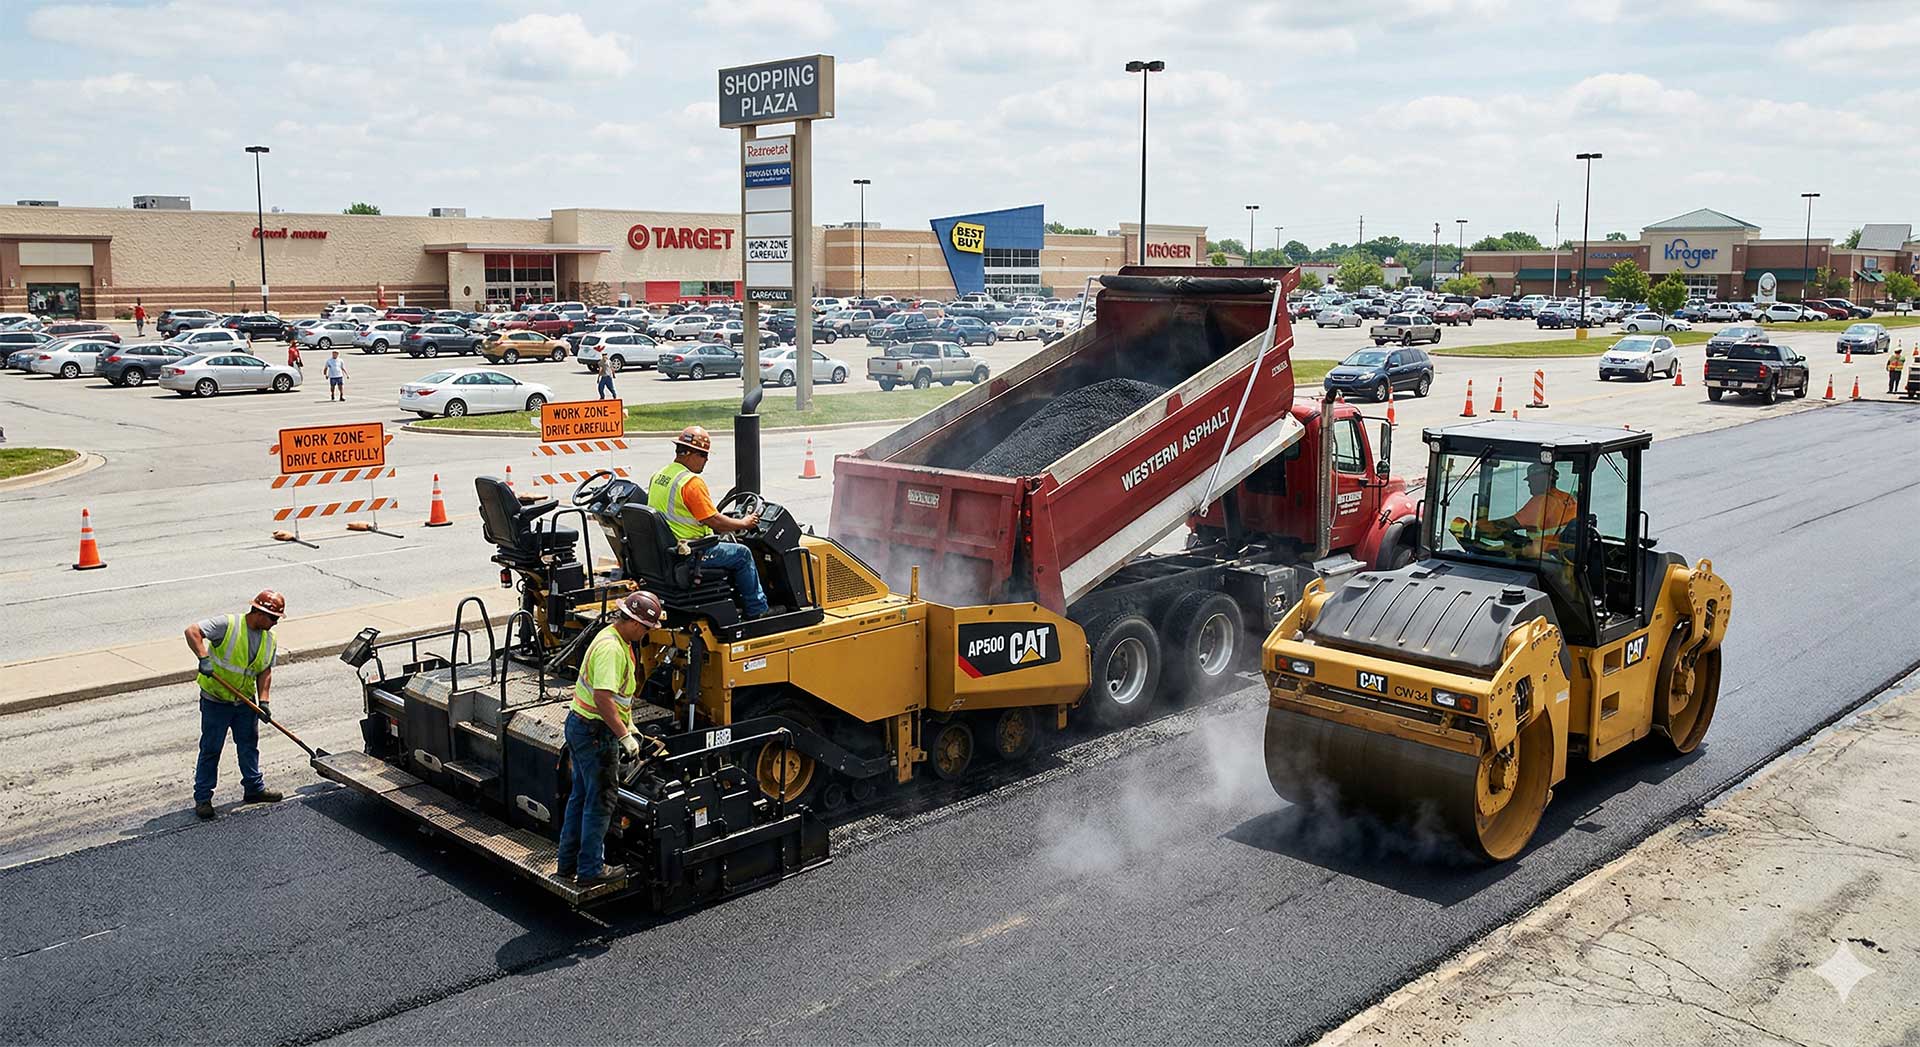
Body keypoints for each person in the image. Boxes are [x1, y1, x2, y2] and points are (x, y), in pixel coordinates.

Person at [557, 591, 664, 886]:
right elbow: (604, 698)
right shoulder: (612, 649)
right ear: (633, 622)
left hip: (582, 727)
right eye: (644, 628)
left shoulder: (615, 637)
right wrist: (624, 735)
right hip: (595, 733)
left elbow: (619, 699)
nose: (645, 633)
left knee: (580, 796)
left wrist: (631, 726)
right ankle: (591, 869)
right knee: (601, 800)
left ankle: (566, 865)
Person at [183, 591, 286, 819]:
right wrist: (203, 658)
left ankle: (253, 789)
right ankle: (203, 798)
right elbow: (192, 632)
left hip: (245, 701)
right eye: (274, 618)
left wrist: (265, 701)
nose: (275, 623)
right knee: (211, 748)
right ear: (260, 612)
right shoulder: (228, 624)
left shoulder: (270, 639)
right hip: (216, 700)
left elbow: (264, 671)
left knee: (249, 744)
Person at [647, 425, 769, 618]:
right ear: (689, 453)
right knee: (743, 554)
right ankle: (758, 611)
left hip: (669, 551)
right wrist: (745, 523)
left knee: (731, 546)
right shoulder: (690, 483)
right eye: (703, 455)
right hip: (693, 552)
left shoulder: (659, 476)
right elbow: (715, 522)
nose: (706, 460)